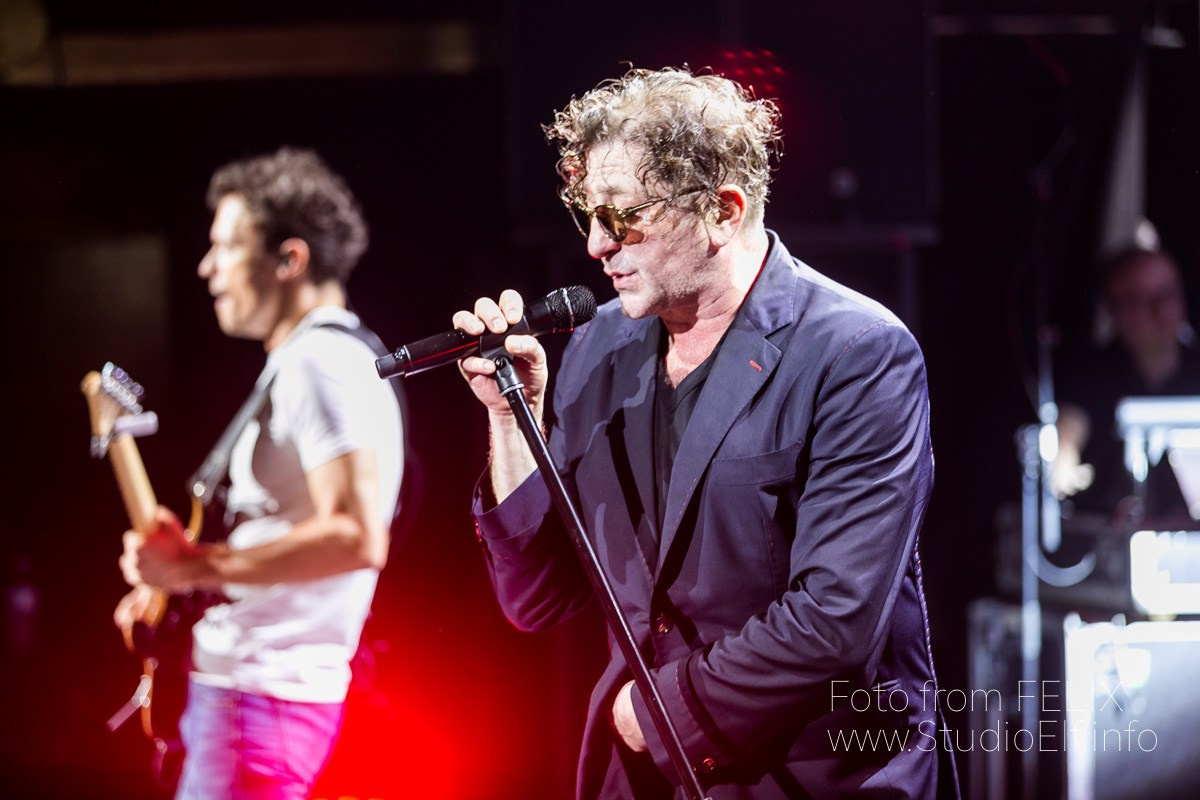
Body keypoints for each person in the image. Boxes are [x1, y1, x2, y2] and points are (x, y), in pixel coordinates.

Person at [455, 67, 954, 798]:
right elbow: (537, 597)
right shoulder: (598, 348)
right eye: (588, 215)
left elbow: (837, 618)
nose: (597, 245)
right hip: (642, 778)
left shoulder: (856, 352)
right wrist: (511, 420)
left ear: (723, 211)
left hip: (815, 777)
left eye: (624, 218)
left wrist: (658, 714)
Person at [113, 147, 405, 799]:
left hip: (259, 706)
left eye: (224, 247)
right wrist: (186, 564)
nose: (206, 268)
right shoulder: (313, 359)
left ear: (288, 260)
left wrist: (193, 568)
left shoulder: (320, 362)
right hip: (250, 702)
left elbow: (357, 537)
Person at [1052, 242, 1200, 528]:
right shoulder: (1092, 374)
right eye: (1140, 299)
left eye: (1166, 295)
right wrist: (1064, 459)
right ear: (1113, 309)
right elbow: (1069, 431)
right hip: (1110, 549)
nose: (1159, 310)